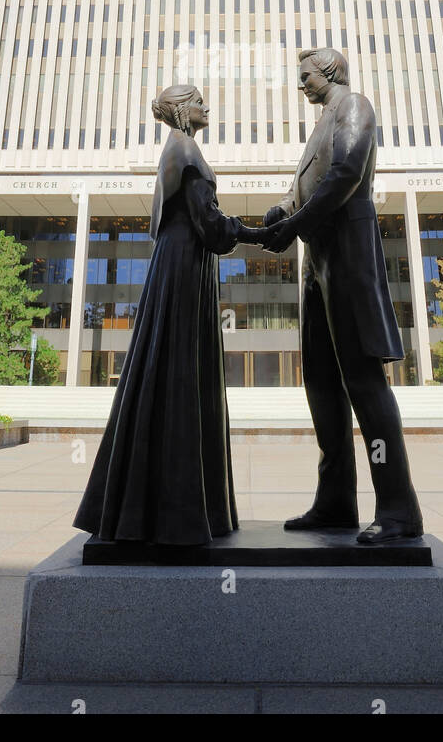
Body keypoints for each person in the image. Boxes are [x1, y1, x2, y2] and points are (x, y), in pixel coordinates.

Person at [73, 84, 265, 545]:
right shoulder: (185, 149)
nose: (206, 107)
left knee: (173, 373)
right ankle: (176, 518)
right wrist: (263, 232)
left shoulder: (177, 148)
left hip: (181, 262)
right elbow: (211, 224)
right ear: (182, 111)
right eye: (198, 101)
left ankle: (153, 512)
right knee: (180, 373)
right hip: (185, 265)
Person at [260, 47, 424, 546]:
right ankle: (335, 501)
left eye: (305, 75)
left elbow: (346, 174)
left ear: (329, 72)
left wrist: (295, 223)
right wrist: (281, 210)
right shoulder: (323, 120)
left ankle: (398, 509)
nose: (300, 84)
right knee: (323, 385)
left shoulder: (355, 106)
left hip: (348, 254)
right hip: (318, 262)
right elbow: (309, 185)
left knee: (363, 381)